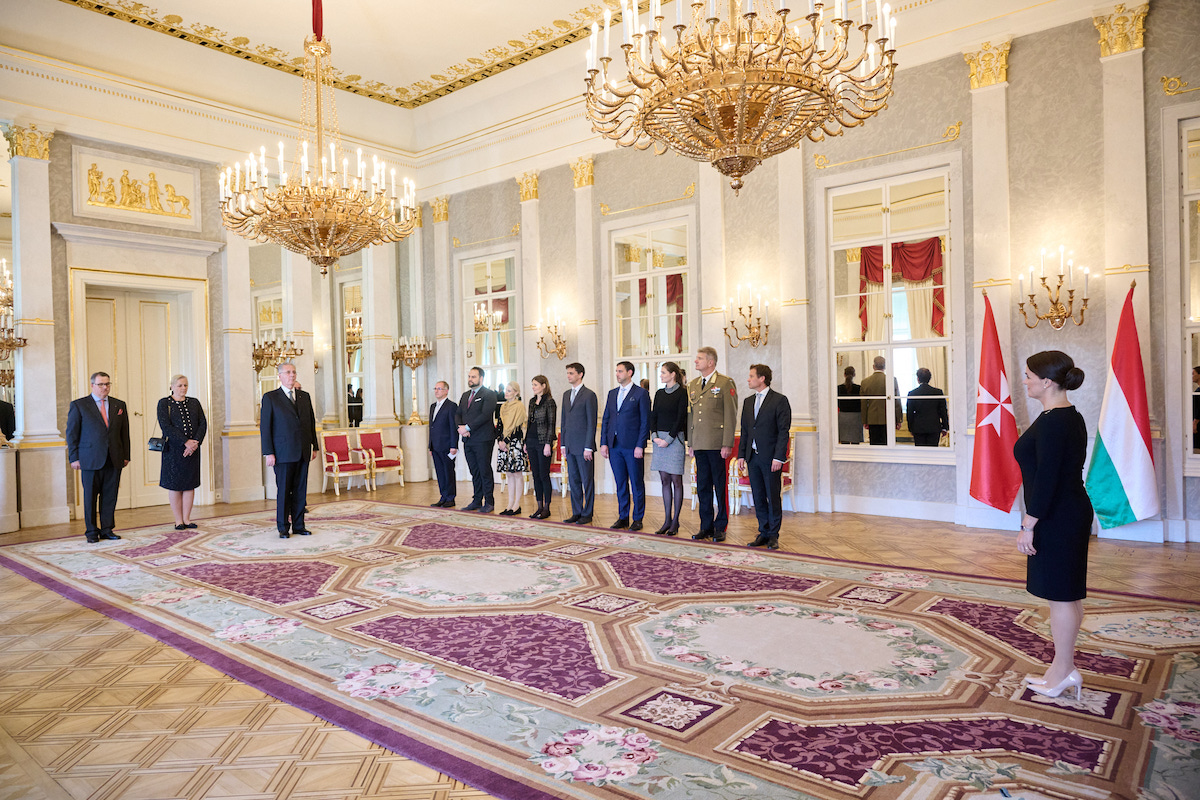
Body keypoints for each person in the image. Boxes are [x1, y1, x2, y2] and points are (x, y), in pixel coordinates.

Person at [1014, 350, 1092, 700]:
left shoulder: (1055, 421)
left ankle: (1062, 671)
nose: (1025, 380)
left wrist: (1028, 524)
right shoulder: (1066, 415)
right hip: (1067, 511)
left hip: (1057, 515)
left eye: (1029, 375)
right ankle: (1063, 668)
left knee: (1061, 596)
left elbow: (1047, 479)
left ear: (1047, 381)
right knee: (1068, 593)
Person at [66, 371, 131, 542]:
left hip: (114, 457)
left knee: (110, 496)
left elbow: (125, 434)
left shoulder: (119, 405)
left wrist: (126, 455)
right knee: (90, 497)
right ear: (92, 385)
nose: (105, 387)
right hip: (89, 458)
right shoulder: (79, 405)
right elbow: (72, 434)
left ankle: (107, 529)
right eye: (101, 384)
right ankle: (91, 532)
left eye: (107, 384)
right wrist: (73, 457)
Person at [260, 362, 318, 538]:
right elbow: (265, 427)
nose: (292, 375)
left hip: (303, 451)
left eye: (294, 372)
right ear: (280, 376)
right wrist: (268, 452)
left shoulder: (304, 396)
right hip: (282, 453)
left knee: (300, 490)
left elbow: (311, 423)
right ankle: (283, 527)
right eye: (288, 372)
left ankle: (299, 525)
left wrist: (314, 446)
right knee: (284, 491)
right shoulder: (271, 397)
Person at [737, 365, 792, 550]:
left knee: (772, 496)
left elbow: (783, 432)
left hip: (770, 458)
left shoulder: (779, 400)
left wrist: (779, 457)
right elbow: (745, 431)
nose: (748, 379)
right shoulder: (747, 401)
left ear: (762, 379)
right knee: (758, 496)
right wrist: (741, 455)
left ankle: (773, 535)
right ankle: (763, 531)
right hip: (752, 458)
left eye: (751, 376)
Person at [687, 346, 737, 542]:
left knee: (720, 485)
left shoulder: (725, 383)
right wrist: (691, 443)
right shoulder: (693, 385)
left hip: (717, 444)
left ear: (710, 362)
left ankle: (720, 526)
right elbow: (691, 416)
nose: (695, 361)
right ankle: (705, 526)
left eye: (699, 358)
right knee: (703, 487)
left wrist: (727, 443)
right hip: (699, 443)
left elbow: (730, 415)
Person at [600, 361, 651, 530]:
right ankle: (623, 517)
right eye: (616, 371)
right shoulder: (612, 393)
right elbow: (606, 419)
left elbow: (645, 422)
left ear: (630, 373)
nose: (617, 374)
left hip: (632, 446)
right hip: (614, 446)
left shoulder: (641, 394)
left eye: (620, 371)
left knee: (636, 483)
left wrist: (640, 445)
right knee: (620, 483)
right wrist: (603, 443)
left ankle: (637, 519)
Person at [157, 375, 207, 530]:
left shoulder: (194, 403)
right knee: (175, 485)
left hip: (192, 451)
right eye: (179, 385)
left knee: (189, 485)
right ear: (171, 386)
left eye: (185, 385)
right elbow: (166, 426)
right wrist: (185, 442)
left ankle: (187, 519)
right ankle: (178, 520)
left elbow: (203, 423)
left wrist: (194, 443)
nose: (183, 388)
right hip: (173, 450)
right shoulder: (164, 403)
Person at [650, 362, 688, 535]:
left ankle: (675, 522)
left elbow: (681, 418)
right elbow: (654, 415)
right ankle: (666, 520)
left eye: (663, 372)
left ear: (673, 374)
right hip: (659, 441)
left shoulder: (682, 392)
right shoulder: (659, 393)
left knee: (676, 480)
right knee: (664, 479)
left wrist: (669, 439)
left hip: (675, 440)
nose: (661, 375)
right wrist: (654, 436)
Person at [456, 366, 499, 512]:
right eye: (469, 376)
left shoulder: (489, 394)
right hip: (468, 439)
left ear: (481, 378)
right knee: (474, 471)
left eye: (473, 377)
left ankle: (489, 502)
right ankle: (477, 500)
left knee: (484, 470)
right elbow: (458, 414)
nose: (470, 379)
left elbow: (485, 415)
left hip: (483, 439)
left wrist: (467, 427)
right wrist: (461, 428)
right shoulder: (465, 395)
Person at [561, 362, 597, 524]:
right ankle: (576, 512)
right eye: (567, 373)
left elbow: (592, 423)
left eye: (571, 373)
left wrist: (588, 446)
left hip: (584, 447)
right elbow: (563, 421)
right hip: (569, 445)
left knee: (587, 480)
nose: (568, 376)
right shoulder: (566, 394)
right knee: (573, 481)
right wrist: (563, 444)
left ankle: (587, 513)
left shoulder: (589, 395)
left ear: (580, 374)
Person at [525, 375, 557, 519]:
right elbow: (529, 423)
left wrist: (548, 444)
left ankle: (547, 508)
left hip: (543, 442)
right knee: (535, 475)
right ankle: (538, 506)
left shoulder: (550, 402)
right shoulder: (532, 401)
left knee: (544, 475)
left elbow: (551, 425)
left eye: (536, 384)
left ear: (544, 386)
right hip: (531, 441)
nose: (533, 387)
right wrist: (525, 442)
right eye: (532, 384)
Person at [496, 381, 529, 516]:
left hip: (514, 443)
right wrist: (499, 440)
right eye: (506, 390)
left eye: (509, 391)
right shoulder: (502, 407)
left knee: (517, 474)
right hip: (503, 444)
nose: (506, 392)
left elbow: (517, 427)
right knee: (508, 473)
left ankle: (517, 505)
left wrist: (506, 441)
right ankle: (509, 504)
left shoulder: (519, 406)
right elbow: (499, 425)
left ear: (516, 392)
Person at [427, 380, 459, 507]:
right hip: (435, 445)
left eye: (439, 388)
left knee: (448, 472)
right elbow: (432, 427)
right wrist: (430, 445)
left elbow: (453, 427)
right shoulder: (432, 406)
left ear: (446, 390)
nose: (436, 391)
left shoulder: (451, 406)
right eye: (435, 388)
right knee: (440, 472)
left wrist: (454, 445)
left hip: (447, 446)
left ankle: (450, 498)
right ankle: (443, 496)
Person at [860, 356, 901, 445]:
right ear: (885, 367)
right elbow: (896, 402)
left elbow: (863, 404)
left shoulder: (865, 382)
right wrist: (898, 419)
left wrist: (865, 420)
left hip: (872, 418)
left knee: (874, 445)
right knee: (888, 444)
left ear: (873, 366)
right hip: (888, 417)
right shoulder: (892, 380)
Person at [906, 367, 949, 446]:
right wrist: (945, 427)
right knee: (933, 452)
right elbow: (943, 411)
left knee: (920, 453)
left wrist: (911, 428)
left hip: (918, 427)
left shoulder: (912, 393)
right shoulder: (938, 392)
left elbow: (910, 413)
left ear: (918, 379)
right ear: (930, 378)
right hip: (934, 427)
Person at [837, 366, 863, 444]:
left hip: (843, 416)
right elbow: (861, 402)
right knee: (855, 443)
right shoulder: (858, 388)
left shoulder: (839, 388)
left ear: (844, 375)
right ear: (854, 374)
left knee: (844, 443)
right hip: (856, 417)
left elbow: (838, 403)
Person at [1192, 366, 1199, 452]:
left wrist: (1195, 422)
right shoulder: (1197, 390)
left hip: (1198, 424)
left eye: (1193, 374)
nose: (1192, 376)